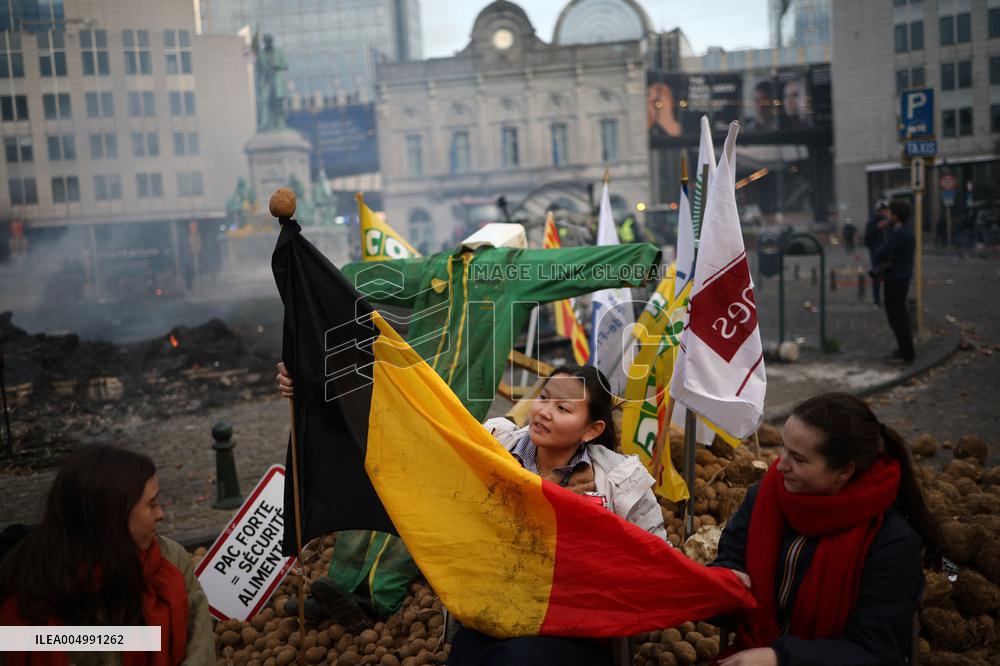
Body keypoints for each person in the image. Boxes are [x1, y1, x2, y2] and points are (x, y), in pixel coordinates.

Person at [447, 364, 667, 666]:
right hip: (493, 611)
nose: (544, 412)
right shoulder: (493, 448)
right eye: (544, 397)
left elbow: (654, 562)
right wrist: (539, 499)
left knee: (513, 660)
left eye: (562, 408)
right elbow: (460, 517)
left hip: (572, 626)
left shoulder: (621, 482)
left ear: (592, 430)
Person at [712, 392, 941, 665]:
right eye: (783, 448)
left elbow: (875, 652)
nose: (781, 464)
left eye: (798, 458)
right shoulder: (763, 498)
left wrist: (779, 658)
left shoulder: (892, 541)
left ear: (844, 472)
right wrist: (723, 583)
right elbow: (730, 561)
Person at [0, 445, 214, 665]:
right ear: (113, 517)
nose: (161, 514)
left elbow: (200, 649)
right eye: (151, 505)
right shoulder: (30, 583)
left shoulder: (172, 559)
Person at [873, 200, 916, 363]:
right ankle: (903, 349)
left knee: (897, 316)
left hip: (896, 279)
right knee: (898, 315)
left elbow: (882, 252)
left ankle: (907, 354)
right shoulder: (906, 231)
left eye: (890, 213)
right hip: (900, 277)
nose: (887, 215)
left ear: (896, 216)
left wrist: (880, 252)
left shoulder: (899, 233)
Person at [863, 199, 889, 307]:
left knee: (889, 277)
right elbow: (867, 238)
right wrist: (877, 228)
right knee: (877, 277)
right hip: (876, 253)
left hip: (888, 252)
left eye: (886, 210)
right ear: (878, 210)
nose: (885, 212)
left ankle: (889, 300)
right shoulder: (872, 222)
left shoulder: (889, 221)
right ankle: (877, 301)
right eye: (883, 210)